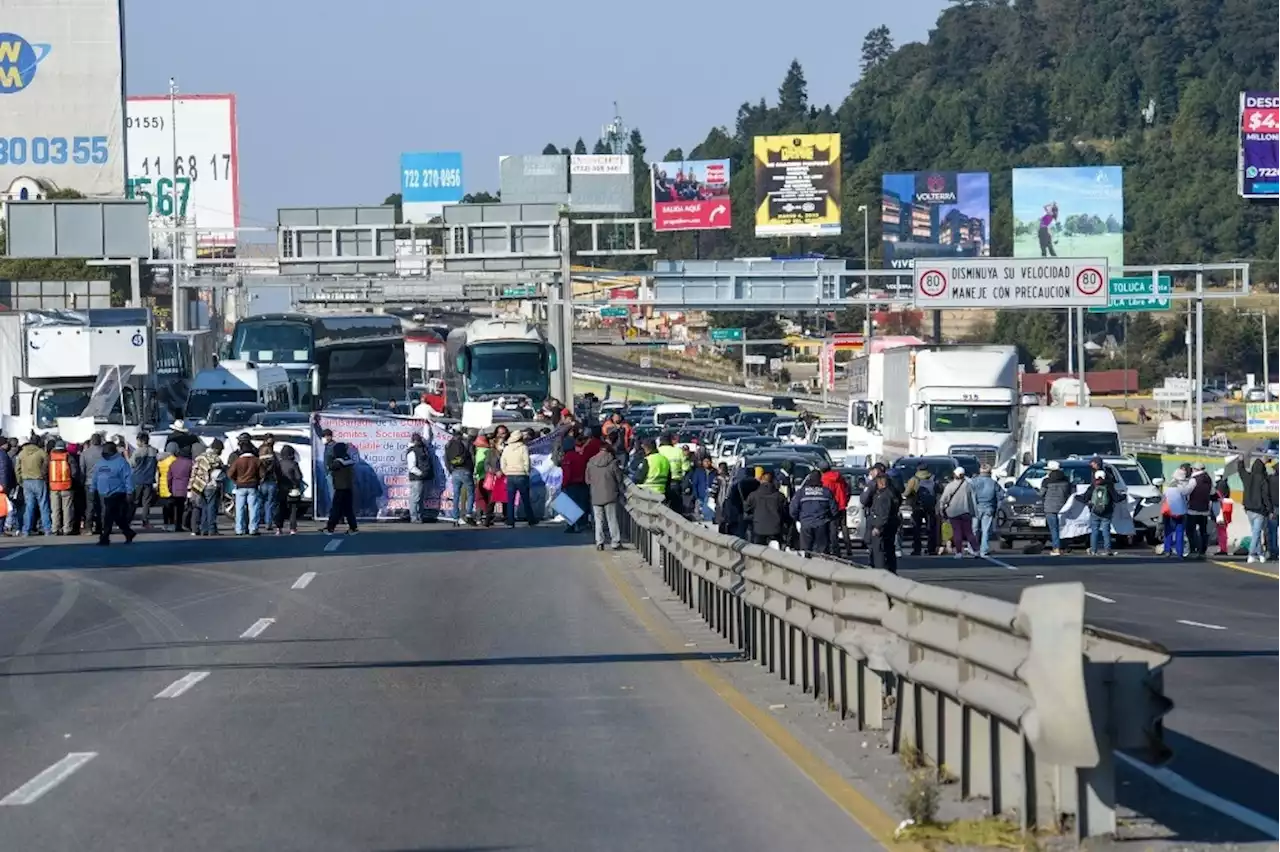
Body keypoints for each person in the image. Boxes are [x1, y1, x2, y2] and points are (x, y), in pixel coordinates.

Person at [93, 440, 135, 545]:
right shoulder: (101, 462)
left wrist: (129, 491)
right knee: (116, 516)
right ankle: (128, 532)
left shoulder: (121, 462)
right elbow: (95, 476)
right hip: (103, 493)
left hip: (117, 492)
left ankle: (105, 538)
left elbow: (128, 477)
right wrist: (93, 489)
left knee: (108, 515)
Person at [585, 440, 625, 550]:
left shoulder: (591, 462)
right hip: (610, 494)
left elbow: (587, 480)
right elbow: (619, 478)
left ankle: (599, 542)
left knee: (598, 520)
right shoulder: (613, 462)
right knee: (612, 519)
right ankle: (615, 542)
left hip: (596, 494)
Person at [790, 470, 836, 554]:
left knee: (805, 551)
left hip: (806, 524)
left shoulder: (801, 492)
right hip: (822, 524)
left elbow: (793, 510)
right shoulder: (826, 492)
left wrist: (800, 519)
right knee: (822, 552)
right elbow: (834, 510)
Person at [188, 439, 226, 536]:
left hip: (199, 485)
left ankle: (204, 529)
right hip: (211, 485)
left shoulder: (200, 457)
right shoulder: (216, 459)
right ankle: (211, 529)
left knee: (204, 507)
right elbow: (220, 472)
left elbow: (193, 473)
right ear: (217, 449)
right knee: (211, 508)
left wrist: (190, 487)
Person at [227, 436, 263, 536]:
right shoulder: (256, 460)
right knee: (253, 508)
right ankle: (253, 528)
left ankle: (239, 529)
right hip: (253, 486)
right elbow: (262, 474)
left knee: (239, 509)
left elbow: (230, 474)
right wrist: (258, 481)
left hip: (240, 486)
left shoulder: (238, 461)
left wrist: (236, 480)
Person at [940, 466, 979, 558]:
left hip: (953, 512)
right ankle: (976, 550)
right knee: (969, 532)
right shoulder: (968, 485)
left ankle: (959, 552)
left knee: (957, 532)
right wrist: (974, 511)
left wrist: (941, 509)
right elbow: (973, 498)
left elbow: (944, 499)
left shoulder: (950, 486)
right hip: (966, 511)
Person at [499, 428, 535, 527]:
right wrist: (526, 472)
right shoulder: (523, 448)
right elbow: (526, 462)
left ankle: (510, 521)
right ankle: (531, 519)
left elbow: (502, 462)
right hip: (521, 475)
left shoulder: (507, 448)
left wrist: (506, 472)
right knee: (525, 499)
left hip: (510, 475)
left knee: (510, 500)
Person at [744, 469, 789, 547]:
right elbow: (786, 512)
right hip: (776, 529)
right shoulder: (780, 496)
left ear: (761, 480)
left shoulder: (753, 495)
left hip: (759, 529)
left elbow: (746, 508)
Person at [867, 472, 902, 572]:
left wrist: (878, 527)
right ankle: (891, 571)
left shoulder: (884, 496)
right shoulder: (893, 492)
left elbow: (883, 513)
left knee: (879, 551)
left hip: (883, 526)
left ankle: (880, 572)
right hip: (892, 524)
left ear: (881, 483)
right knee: (889, 548)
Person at [902, 462, 940, 556]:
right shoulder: (933, 478)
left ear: (917, 469)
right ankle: (931, 548)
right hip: (930, 506)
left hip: (918, 506)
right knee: (931, 528)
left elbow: (906, 493)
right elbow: (939, 490)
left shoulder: (914, 479)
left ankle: (917, 549)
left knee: (916, 528)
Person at [16, 434, 50, 537]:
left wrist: (20, 481)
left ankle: (26, 530)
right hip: (39, 481)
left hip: (26, 481)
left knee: (29, 506)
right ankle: (47, 529)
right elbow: (47, 464)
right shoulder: (41, 452)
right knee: (43, 505)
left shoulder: (21, 454)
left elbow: (17, 470)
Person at [1038, 460, 1073, 556]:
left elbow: (1041, 494)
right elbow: (1070, 492)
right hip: (1063, 507)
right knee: (1063, 528)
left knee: (1054, 529)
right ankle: (1064, 547)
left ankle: (1056, 548)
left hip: (1050, 507)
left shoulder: (1046, 481)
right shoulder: (1066, 480)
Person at [970, 463, 1003, 558]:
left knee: (974, 529)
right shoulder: (993, 483)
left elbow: (969, 495)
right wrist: (996, 508)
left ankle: (973, 549)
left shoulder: (973, 482)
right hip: (989, 508)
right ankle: (984, 550)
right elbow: (1000, 496)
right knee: (986, 530)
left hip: (976, 508)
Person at [325, 442, 359, 535]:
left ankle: (330, 528)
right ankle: (353, 527)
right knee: (348, 510)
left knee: (336, 509)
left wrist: (329, 458)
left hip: (340, 488)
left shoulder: (338, 462)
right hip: (348, 488)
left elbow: (330, 467)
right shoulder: (348, 459)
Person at [444, 426, 475, 526]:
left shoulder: (448, 445)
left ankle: (455, 518)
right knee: (470, 493)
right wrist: (472, 470)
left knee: (456, 495)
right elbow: (472, 457)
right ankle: (468, 514)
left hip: (455, 472)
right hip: (465, 470)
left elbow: (446, 460)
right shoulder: (466, 444)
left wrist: (451, 470)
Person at [1242, 457, 1271, 564]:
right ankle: (1252, 554)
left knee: (1255, 532)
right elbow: (1265, 496)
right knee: (1256, 533)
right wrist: (1270, 509)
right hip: (1260, 510)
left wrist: (1240, 461)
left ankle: (1260, 554)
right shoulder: (1263, 479)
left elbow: (1241, 471)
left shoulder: (1247, 477)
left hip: (1249, 509)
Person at [560, 434, 590, 532]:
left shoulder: (568, 457)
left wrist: (564, 484)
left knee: (570, 505)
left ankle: (571, 525)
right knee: (581, 505)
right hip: (582, 483)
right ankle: (582, 524)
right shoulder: (580, 456)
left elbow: (567, 472)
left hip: (572, 484)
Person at [819, 462, 850, 557]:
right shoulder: (839, 477)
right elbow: (847, 489)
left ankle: (833, 550)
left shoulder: (824, 479)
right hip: (841, 505)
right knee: (844, 526)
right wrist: (845, 501)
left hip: (832, 506)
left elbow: (825, 494)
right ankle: (848, 547)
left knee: (832, 529)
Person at [47, 439, 77, 536]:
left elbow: (44, 471)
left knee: (55, 509)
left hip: (54, 487)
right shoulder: (68, 456)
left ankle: (55, 528)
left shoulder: (50, 457)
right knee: (67, 508)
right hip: (67, 486)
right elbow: (74, 472)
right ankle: (67, 529)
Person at [1183, 461, 1213, 559]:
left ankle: (1193, 549)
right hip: (1205, 510)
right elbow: (1212, 492)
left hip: (1193, 509)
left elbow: (1186, 491)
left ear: (1195, 469)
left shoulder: (1194, 480)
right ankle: (1202, 551)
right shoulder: (1208, 479)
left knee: (1190, 530)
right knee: (1203, 531)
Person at [1086, 468, 1117, 556]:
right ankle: (1107, 550)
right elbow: (1116, 498)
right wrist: (1124, 496)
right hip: (1107, 512)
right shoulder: (1109, 485)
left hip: (1095, 511)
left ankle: (1093, 550)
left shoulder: (1093, 486)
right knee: (1106, 531)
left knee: (1094, 531)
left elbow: (1085, 497)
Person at [275, 444, 305, 534]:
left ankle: (278, 528)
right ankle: (292, 528)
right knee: (293, 510)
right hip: (293, 489)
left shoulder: (278, 464)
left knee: (281, 509)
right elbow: (299, 476)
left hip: (281, 489)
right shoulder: (294, 464)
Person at [130, 432, 159, 528]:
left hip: (137, 479)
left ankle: (128, 520)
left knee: (134, 501)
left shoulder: (137, 452)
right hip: (149, 479)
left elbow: (132, 464)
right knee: (146, 502)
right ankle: (145, 521)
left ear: (140, 441)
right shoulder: (154, 451)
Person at [406, 432, 434, 524]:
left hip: (422, 478)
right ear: (414, 441)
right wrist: (421, 473)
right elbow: (411, 467)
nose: (419, 441)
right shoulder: (412, 451)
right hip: (417, 478)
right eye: (417, 440)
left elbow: (427, 436)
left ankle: (419, 516)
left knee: (420, 499)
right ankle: (414, 517)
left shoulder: (422, 449)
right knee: (415, 499)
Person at [81, 433, 105, 535]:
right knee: (102, 506)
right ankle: (101, 527)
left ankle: (89, 528)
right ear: (100, 441)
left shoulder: (85, 454)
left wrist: (82, 481)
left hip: (89, 482)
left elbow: (82, 469)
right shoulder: (105, 453)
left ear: (91, 441)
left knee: (90, 505)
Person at [1162, 470, 1188, 559]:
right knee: (1179, 532)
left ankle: (1167, 550)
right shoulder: (1183, 486)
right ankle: (1179, 552)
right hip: (1180, 512)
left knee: (1168, 531)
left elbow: (1164, 497)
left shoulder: (1169, 485)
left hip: (1168, 511)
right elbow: (1185, 500)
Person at [257, 434, 280, 534]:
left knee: (260, 503)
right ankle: (268, 522)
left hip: (261, 481)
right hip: (270, 480)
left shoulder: (259, 451)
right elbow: (274, 465)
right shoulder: (270, 451)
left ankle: (257, 522)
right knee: (269, 503)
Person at [168, 445, 194, 534]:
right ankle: (186, 524)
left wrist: (170, 487)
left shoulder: (173, 463)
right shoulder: (190, 463)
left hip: (175, 488)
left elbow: (169, 477)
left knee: (177, 508)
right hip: (186, 488)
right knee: (188, 507)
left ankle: (177, 525)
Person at [473, 433, 495, 527]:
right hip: (489, 478)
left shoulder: (479, 451)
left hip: (481, 477)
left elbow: (480, 465)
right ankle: (487, 517)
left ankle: (479, 518)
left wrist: (476, 473)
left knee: (480, 498)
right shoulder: (488, 451)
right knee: (488, 499)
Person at [157, 442, 178, 531]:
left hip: (162, 486)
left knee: (165, 507)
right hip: (171, 486)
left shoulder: (160, 460)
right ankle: (172, 524)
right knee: (173, 507)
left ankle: (165, 524)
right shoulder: (174, 460)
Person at [1214, 469, 1233, 556]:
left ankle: (1223, 549)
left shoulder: (1220, 485)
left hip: (1221, 509)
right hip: (1225, 509)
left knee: (1221, 530)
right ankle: (1223, 548)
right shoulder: (1225, 484)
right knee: (1222, 530)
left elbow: (1218, 497)